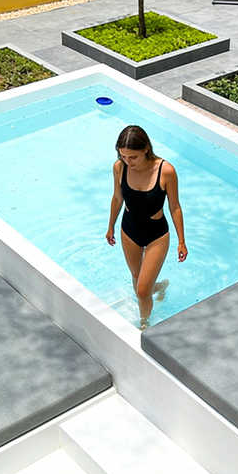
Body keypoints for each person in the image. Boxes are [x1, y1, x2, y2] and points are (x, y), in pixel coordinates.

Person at [105, 125, 187, 329]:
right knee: (137, 279)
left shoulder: (166, 171)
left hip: (156, 234)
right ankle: (158, 287)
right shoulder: (119, 167)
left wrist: (181, 241)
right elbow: (117, 198)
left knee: (142, 291)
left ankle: (144, 325)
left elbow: (175, 206)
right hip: (129, 230)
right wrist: (110, 226)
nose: (128, 161)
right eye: (123, 156)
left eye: (133, 157)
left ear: (146, 149)